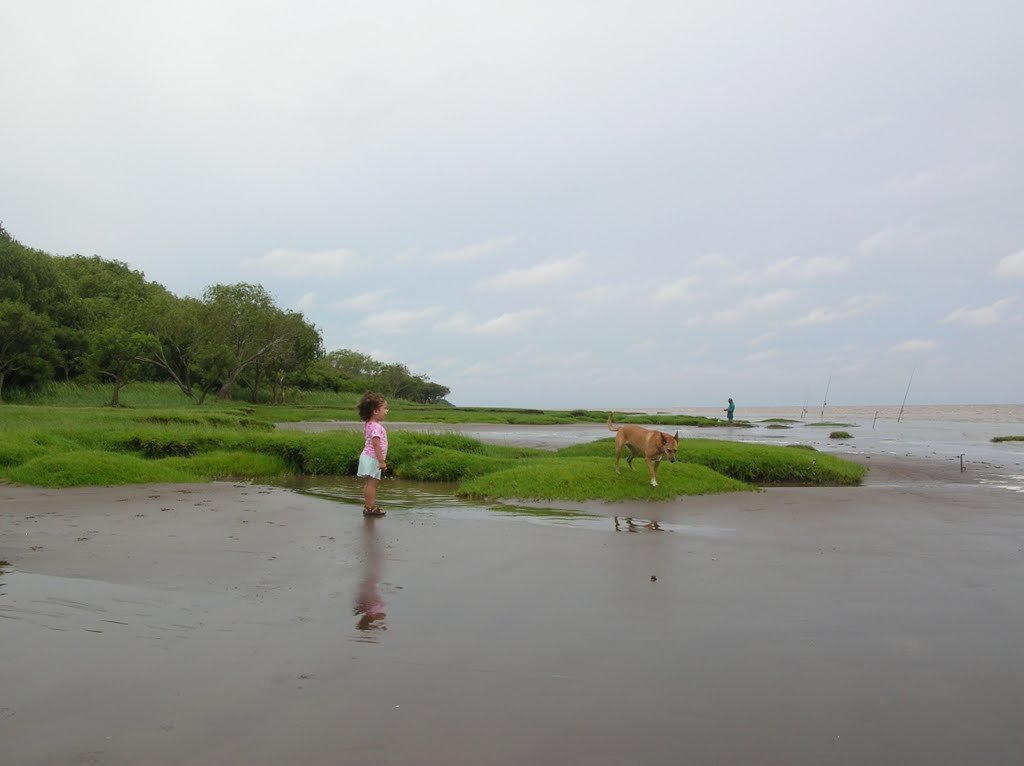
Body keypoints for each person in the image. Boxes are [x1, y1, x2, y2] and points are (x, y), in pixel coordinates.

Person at [356, 391, 389, 517]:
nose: (386, 411)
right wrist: (381, 461)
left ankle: (368, 506)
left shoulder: (369, 424)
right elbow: (376, 445)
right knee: (372, 484)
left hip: (368, 457)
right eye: (384, 408)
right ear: (375, 411)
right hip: (373, 458)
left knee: (370, 484)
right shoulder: (376, 427)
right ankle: (370, 508)